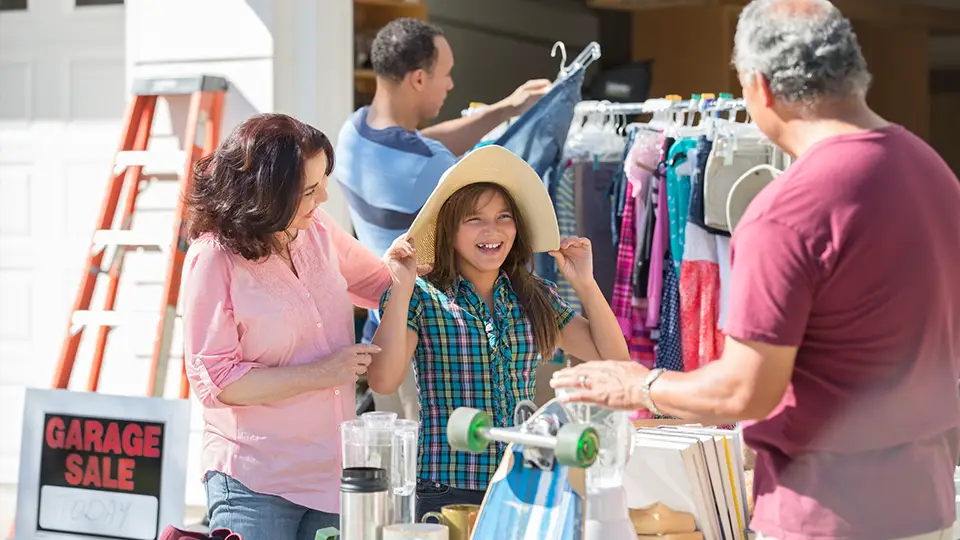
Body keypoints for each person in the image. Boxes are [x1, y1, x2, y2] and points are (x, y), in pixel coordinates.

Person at [552, 1, 960, 539]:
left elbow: (744, 391)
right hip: (926, 504)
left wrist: (638, 386)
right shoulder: (934, 173)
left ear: (760, 87)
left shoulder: (789, 209)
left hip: (825, 514)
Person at [370, 145, 630, 518]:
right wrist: (400, 286)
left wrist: (586, 284)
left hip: (525, 482)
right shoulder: (421, 297)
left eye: (504, 217)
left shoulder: (535, 295)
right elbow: (382, 380)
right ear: (449, 229)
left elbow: (615, 361)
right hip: (448, 490)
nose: (493, 231)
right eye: (475, 219)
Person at [181, 113, 406, 540]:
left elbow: (383, 285)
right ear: (266, 195)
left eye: (323, 182)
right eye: (308, 190)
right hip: (253, 483)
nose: (323, 197)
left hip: (332, 477)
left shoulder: (317, 229)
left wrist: (434, 259)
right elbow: (218, 382)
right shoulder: (212, 258)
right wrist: (323, 373)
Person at [334, 17, 552, 420]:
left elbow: (425, 143)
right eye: (446, 75)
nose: (450, 84)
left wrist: (504, 109)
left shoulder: (354, 131)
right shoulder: (431, 168)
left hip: (384, 329)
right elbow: (463, 174)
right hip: (429, 345)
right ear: (419, 79)